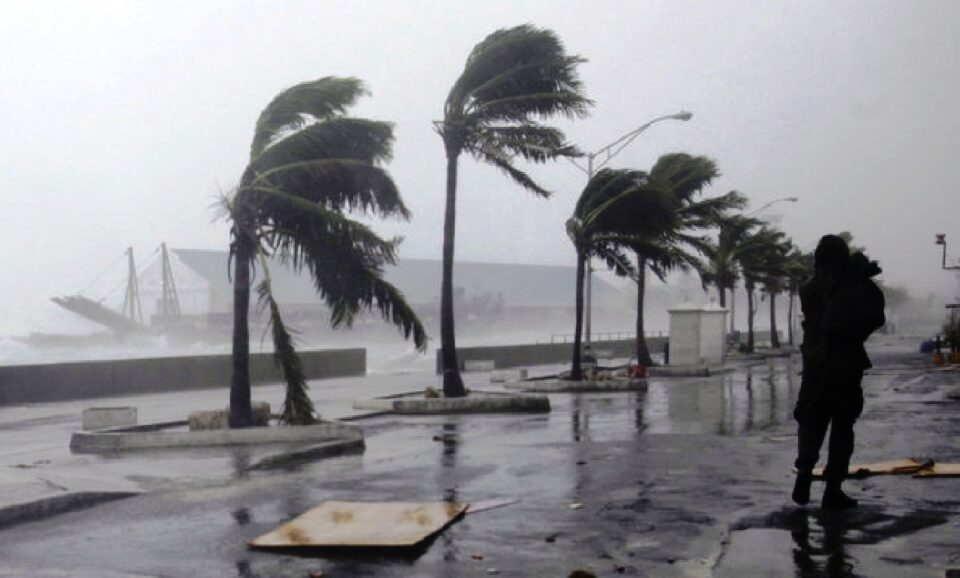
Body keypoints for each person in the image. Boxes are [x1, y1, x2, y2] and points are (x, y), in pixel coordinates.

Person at [792, 235, 886, 509]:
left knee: (811, 422)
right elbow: (869, 315)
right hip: (843, 364)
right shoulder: (847, 285)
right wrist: (856, 274)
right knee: (842, 428)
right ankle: (832, 489)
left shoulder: (809, 288)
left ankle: (805, 474)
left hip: (814, 366)